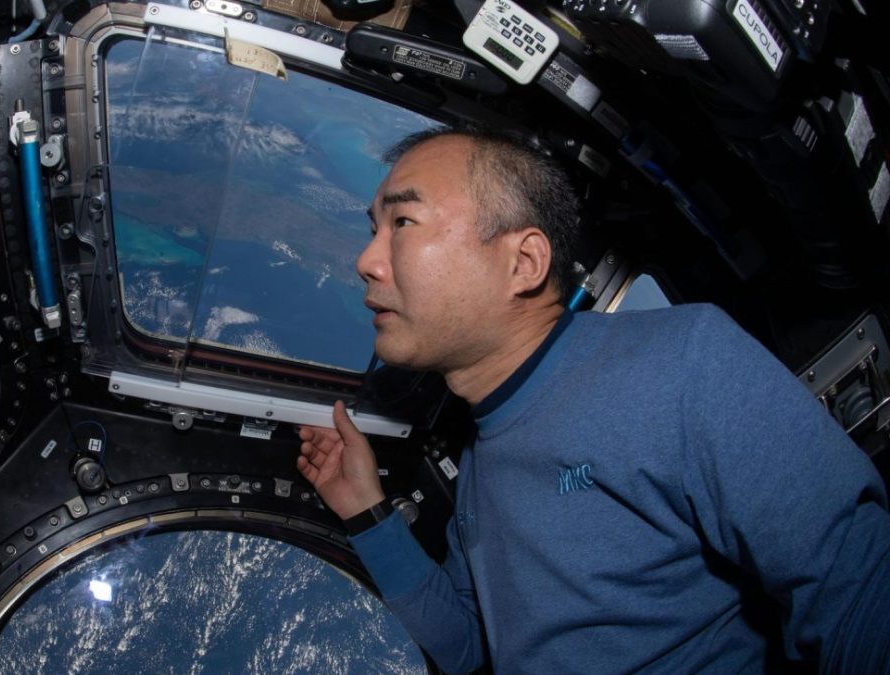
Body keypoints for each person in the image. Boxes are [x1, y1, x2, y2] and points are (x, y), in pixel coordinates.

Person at [296, 128, 890, 674]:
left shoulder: (683, 363)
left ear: (522, 263)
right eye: (373, 228)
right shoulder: (482, 459)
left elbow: (860, 601)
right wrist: (367, 512)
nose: (366, 260)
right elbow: (468, 647)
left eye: (401, 223)